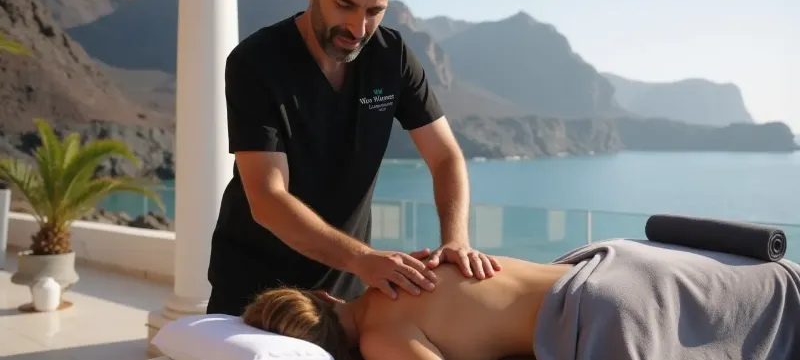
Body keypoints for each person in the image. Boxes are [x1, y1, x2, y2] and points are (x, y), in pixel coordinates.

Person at [206, 0, 501, 317]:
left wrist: (456, 241)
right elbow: (267, 198)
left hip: (345, 297)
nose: (357, 29)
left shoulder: (391, 57)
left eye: (374, 11)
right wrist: (364, 258)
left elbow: (445, 156)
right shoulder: (255, 63)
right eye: (344, 4)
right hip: (253, 295)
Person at [242, 238, 800, 360]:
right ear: (322, 294)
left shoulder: (381, 342)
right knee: (775, 298)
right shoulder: (394, 268)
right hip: (615, 260)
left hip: (605, 316)